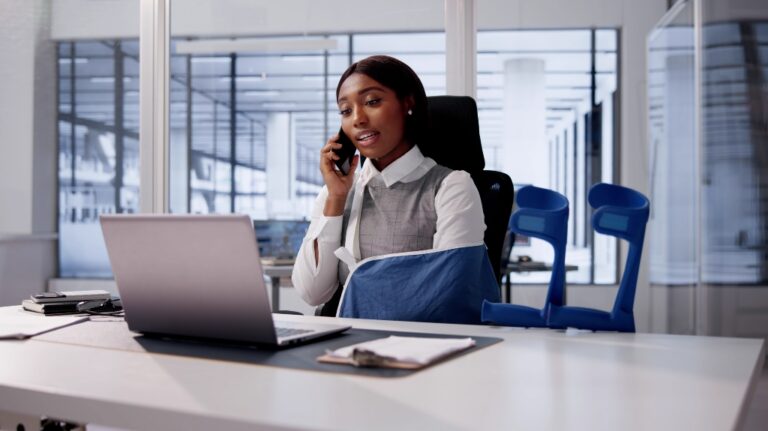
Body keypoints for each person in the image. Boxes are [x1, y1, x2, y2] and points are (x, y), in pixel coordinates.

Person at [291, 55, 485, 312]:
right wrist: (336, 199)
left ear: (408, 104)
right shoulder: (337, 192)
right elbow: (312, 293)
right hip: (347, 341)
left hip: (418, 344)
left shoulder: (451, 187)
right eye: (346, 111)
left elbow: (448, 293)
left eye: (372, 102)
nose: (358, 119)